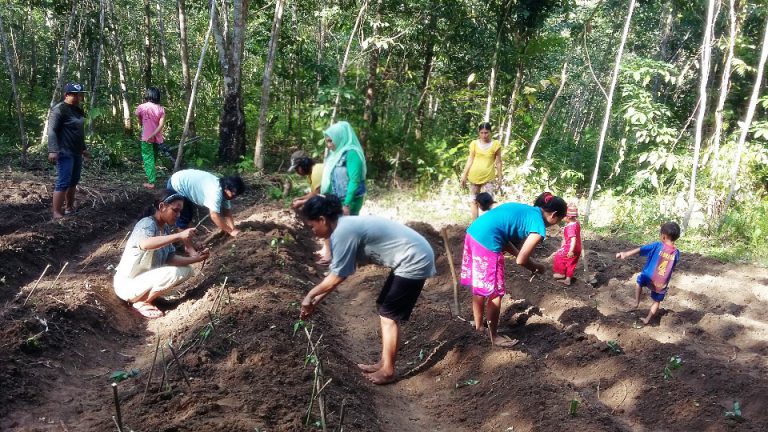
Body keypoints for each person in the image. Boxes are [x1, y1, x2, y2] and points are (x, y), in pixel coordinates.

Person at [299, 194, 436, 385]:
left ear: (322, 220)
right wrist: (315, 303)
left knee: (389, 316)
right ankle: (384, 362)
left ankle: (388, 371)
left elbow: (337, 276)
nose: (313, 232)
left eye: (312, 226)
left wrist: (310, 296)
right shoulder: (344, 226)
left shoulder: (342, 232)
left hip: (414, 259)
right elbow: (339, 276)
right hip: (409, 257)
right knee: (384, 307)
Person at [461, 192, 566, 347]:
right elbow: (521, 260)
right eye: (560, 220)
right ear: (554, 215)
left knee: (480, 285)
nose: (557, 224)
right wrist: (536, 267)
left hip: (474, 234)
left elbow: (503, 238)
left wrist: (525, 259)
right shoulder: (539, 227)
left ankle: (479, 327)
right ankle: (494, 336)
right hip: (488, 242)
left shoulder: (526, 211)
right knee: (495, 293)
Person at [113, 189, 209, 319]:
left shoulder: (165, 228)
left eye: (180, 211)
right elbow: (145, 244)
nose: (178, 215)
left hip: (141, 283)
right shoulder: (146, 223)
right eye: (175, 210)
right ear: (162, 206)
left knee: (187, 270)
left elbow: (170, 258)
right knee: (173, 273)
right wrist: (179, 235)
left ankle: (145, 297)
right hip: (127, 285)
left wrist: (196, 258)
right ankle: (141, 302)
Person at [616, 222, 681, 326]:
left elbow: (641, 249)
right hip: (661, 282)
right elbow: (672, 267)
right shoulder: (676, 253)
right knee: (656, 301)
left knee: (639, 282)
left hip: (648, 276)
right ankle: (647, 319)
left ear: (663, 236)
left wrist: (625, 253)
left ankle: (636, 303)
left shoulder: (658, 245)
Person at [167, 169, 245, 254]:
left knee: (188, 215)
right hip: (177, 185)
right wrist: (230, 231)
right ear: (227, 188)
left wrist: (233, 228)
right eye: (234, 194)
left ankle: (193, 242)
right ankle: (189, 248)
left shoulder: (225, 191)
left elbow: (227, 212)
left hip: (185, 182)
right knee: (183, 219)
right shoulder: (215, 192)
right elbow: (214, 216)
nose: (234, 197)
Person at [47, 82, 91, 219]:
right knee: (64, 181)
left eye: (80, 95)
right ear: (66, 95)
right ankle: (56, 212)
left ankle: (69, 208)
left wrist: (83, 149)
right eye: (75, 95)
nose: (78, 97)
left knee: (74, 181)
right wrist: (52, 150)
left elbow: (79, 132)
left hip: (76, 151)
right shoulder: (59, 109)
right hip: (64, 151)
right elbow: (52, 130)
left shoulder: (78, 110)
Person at [320, 121, 367, 216]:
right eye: (327, 141)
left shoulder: (352, 154)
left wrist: (347, 204)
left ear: (340, 138)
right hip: (337, 200)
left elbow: (355, 180)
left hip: (349, 201)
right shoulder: (335, 154)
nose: (329, 145)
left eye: (331, 141)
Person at [460, 122, 502, 220]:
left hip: (488, 177)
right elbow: (470, 159)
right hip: (474, 176)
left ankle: (489, 223)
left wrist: (500, 177)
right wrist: (464, 175)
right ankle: (475, 223)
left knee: (489, 201)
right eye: (481, 133)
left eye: (486, 132)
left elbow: (498, 162)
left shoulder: (496, 145)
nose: (484, 135)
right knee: (474, 200)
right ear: (479, 133)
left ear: (490, 132)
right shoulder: (474, 144)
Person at [135, 87, 169, 189]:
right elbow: (161, 125)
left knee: (148, 159)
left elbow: (140, 121)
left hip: (146, 138)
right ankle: (152, 177)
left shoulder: (141, 107)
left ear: (147, 95)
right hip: (157, 138)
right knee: (153, 158)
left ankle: (151, 182)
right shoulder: (161, 109)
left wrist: (149, 134)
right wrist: (153, 135)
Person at [552, 204, 582, 286]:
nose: (562, 218)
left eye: (563, 216)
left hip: (571, 247)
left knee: (559, 256)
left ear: (568, 217)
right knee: (571, 263)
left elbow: (573, 239)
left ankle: (561, 273)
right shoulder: (576, 223)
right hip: (578, 247)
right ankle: (568, 279)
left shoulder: (570, 228)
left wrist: (571, 251)